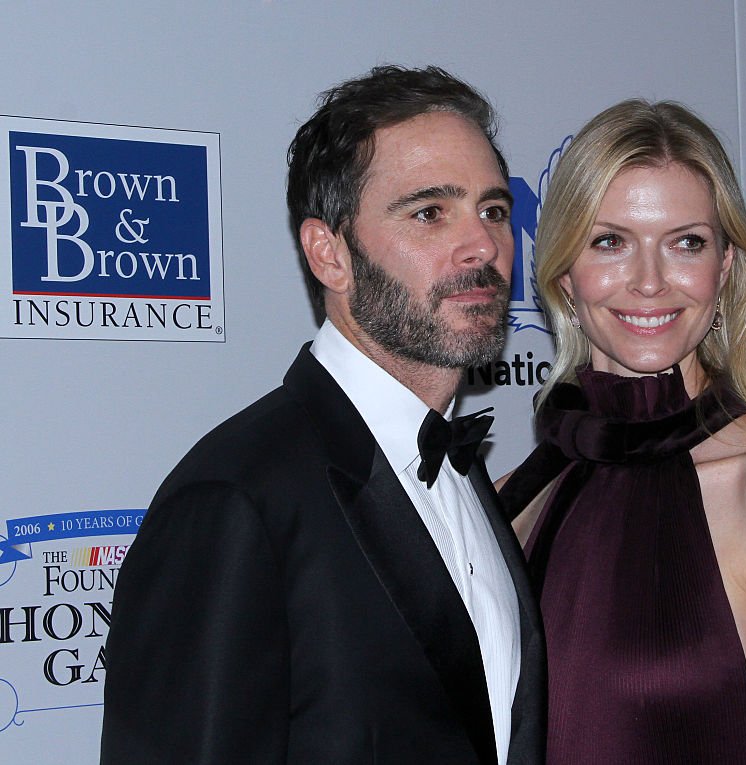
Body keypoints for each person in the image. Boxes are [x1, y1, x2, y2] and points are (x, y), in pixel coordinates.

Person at [100, 65, 545, 765]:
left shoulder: (464, 476)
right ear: (329, 253)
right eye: (431, 212)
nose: (484, 246)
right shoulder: (235, 499)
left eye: (493, 210)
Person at [498, 99, 746, 764]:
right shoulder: (511, 500)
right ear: (563, 274)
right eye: (610, 241)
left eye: (686, 243)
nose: (649, 281)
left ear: (724, 272)